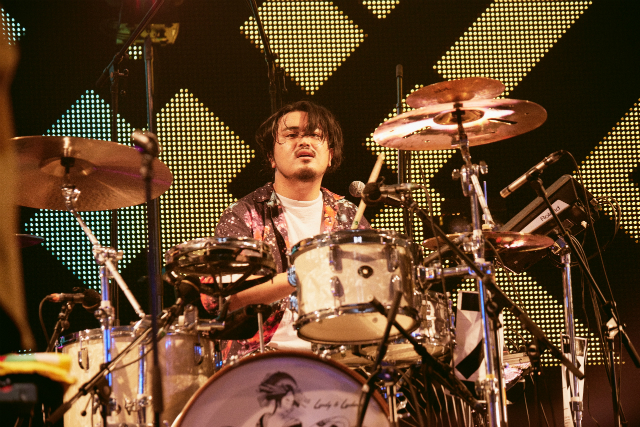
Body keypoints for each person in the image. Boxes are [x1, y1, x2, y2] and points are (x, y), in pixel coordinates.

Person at [201, 100, 369, 359]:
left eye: (315, 135)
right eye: (291, 135)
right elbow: (218, 300)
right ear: (271, 157)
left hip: (338, 361)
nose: (304, 142)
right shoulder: (244, 215)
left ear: (330, 155)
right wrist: (297, 276)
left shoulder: (349, 216)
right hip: (261, 361)